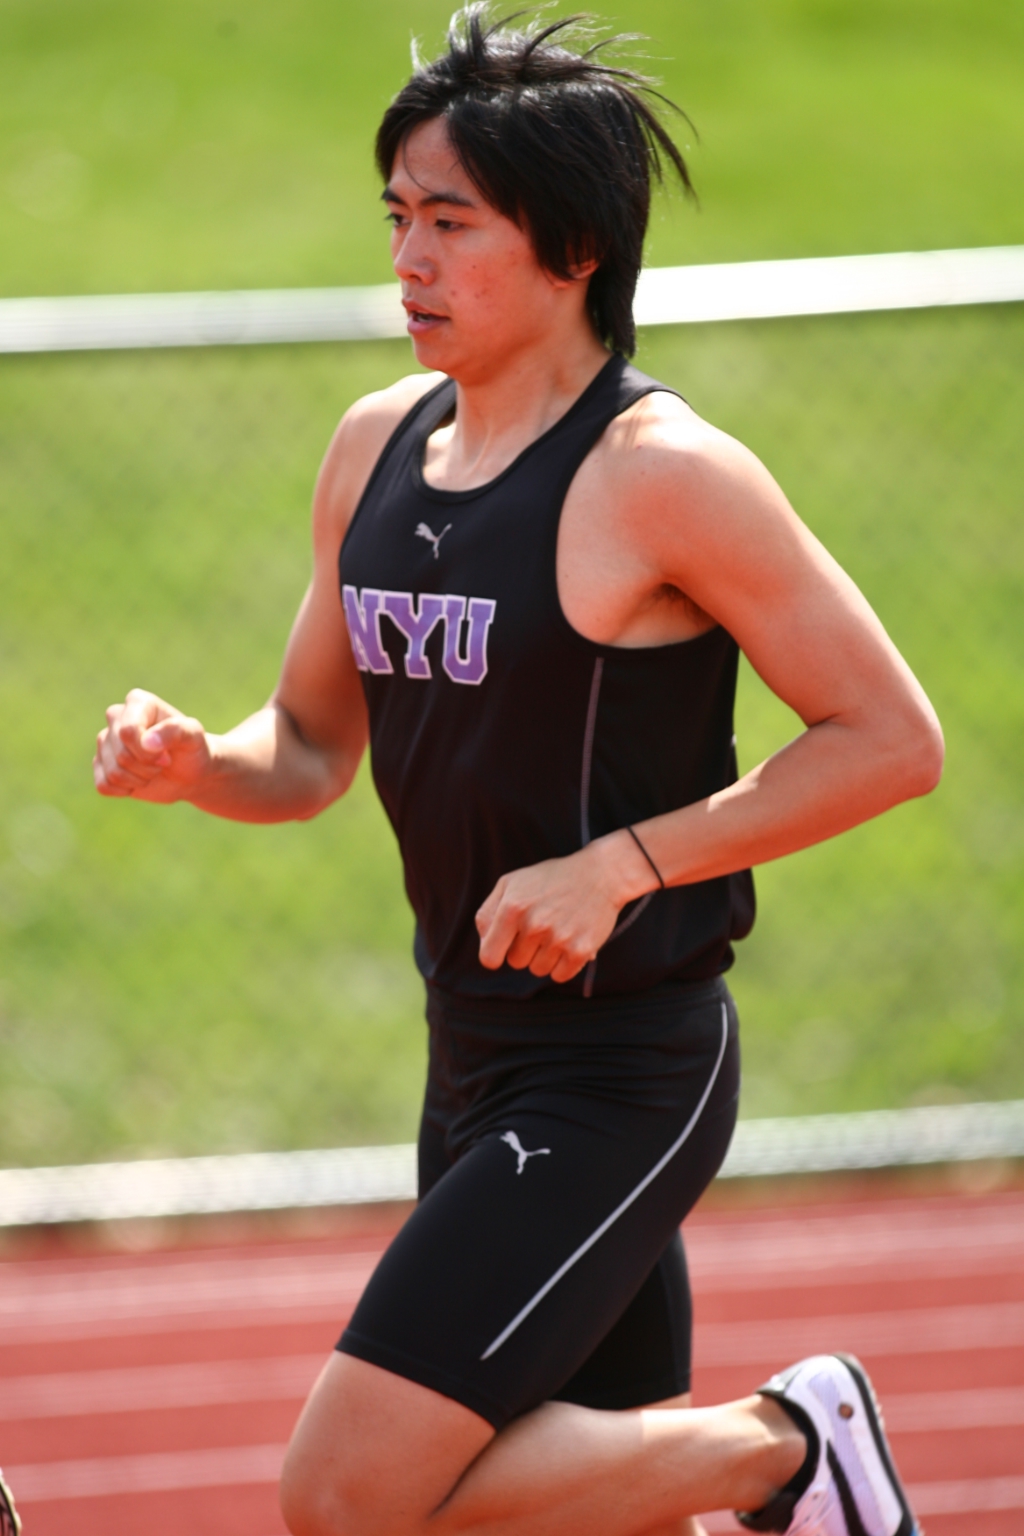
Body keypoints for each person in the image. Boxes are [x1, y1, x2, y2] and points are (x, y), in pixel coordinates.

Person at [94, 9, 941, 1534]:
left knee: (349, 1497)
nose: (409, 261)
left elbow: (892, 739)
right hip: (468, 1050)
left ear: (573, 248)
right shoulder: (374, 446)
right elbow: (306, 750)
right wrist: (193, 761)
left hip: (622, 1066)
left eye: (453, 223)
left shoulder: (662, 475)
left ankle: (785, 1443)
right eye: (397, 218)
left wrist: (624, 866)